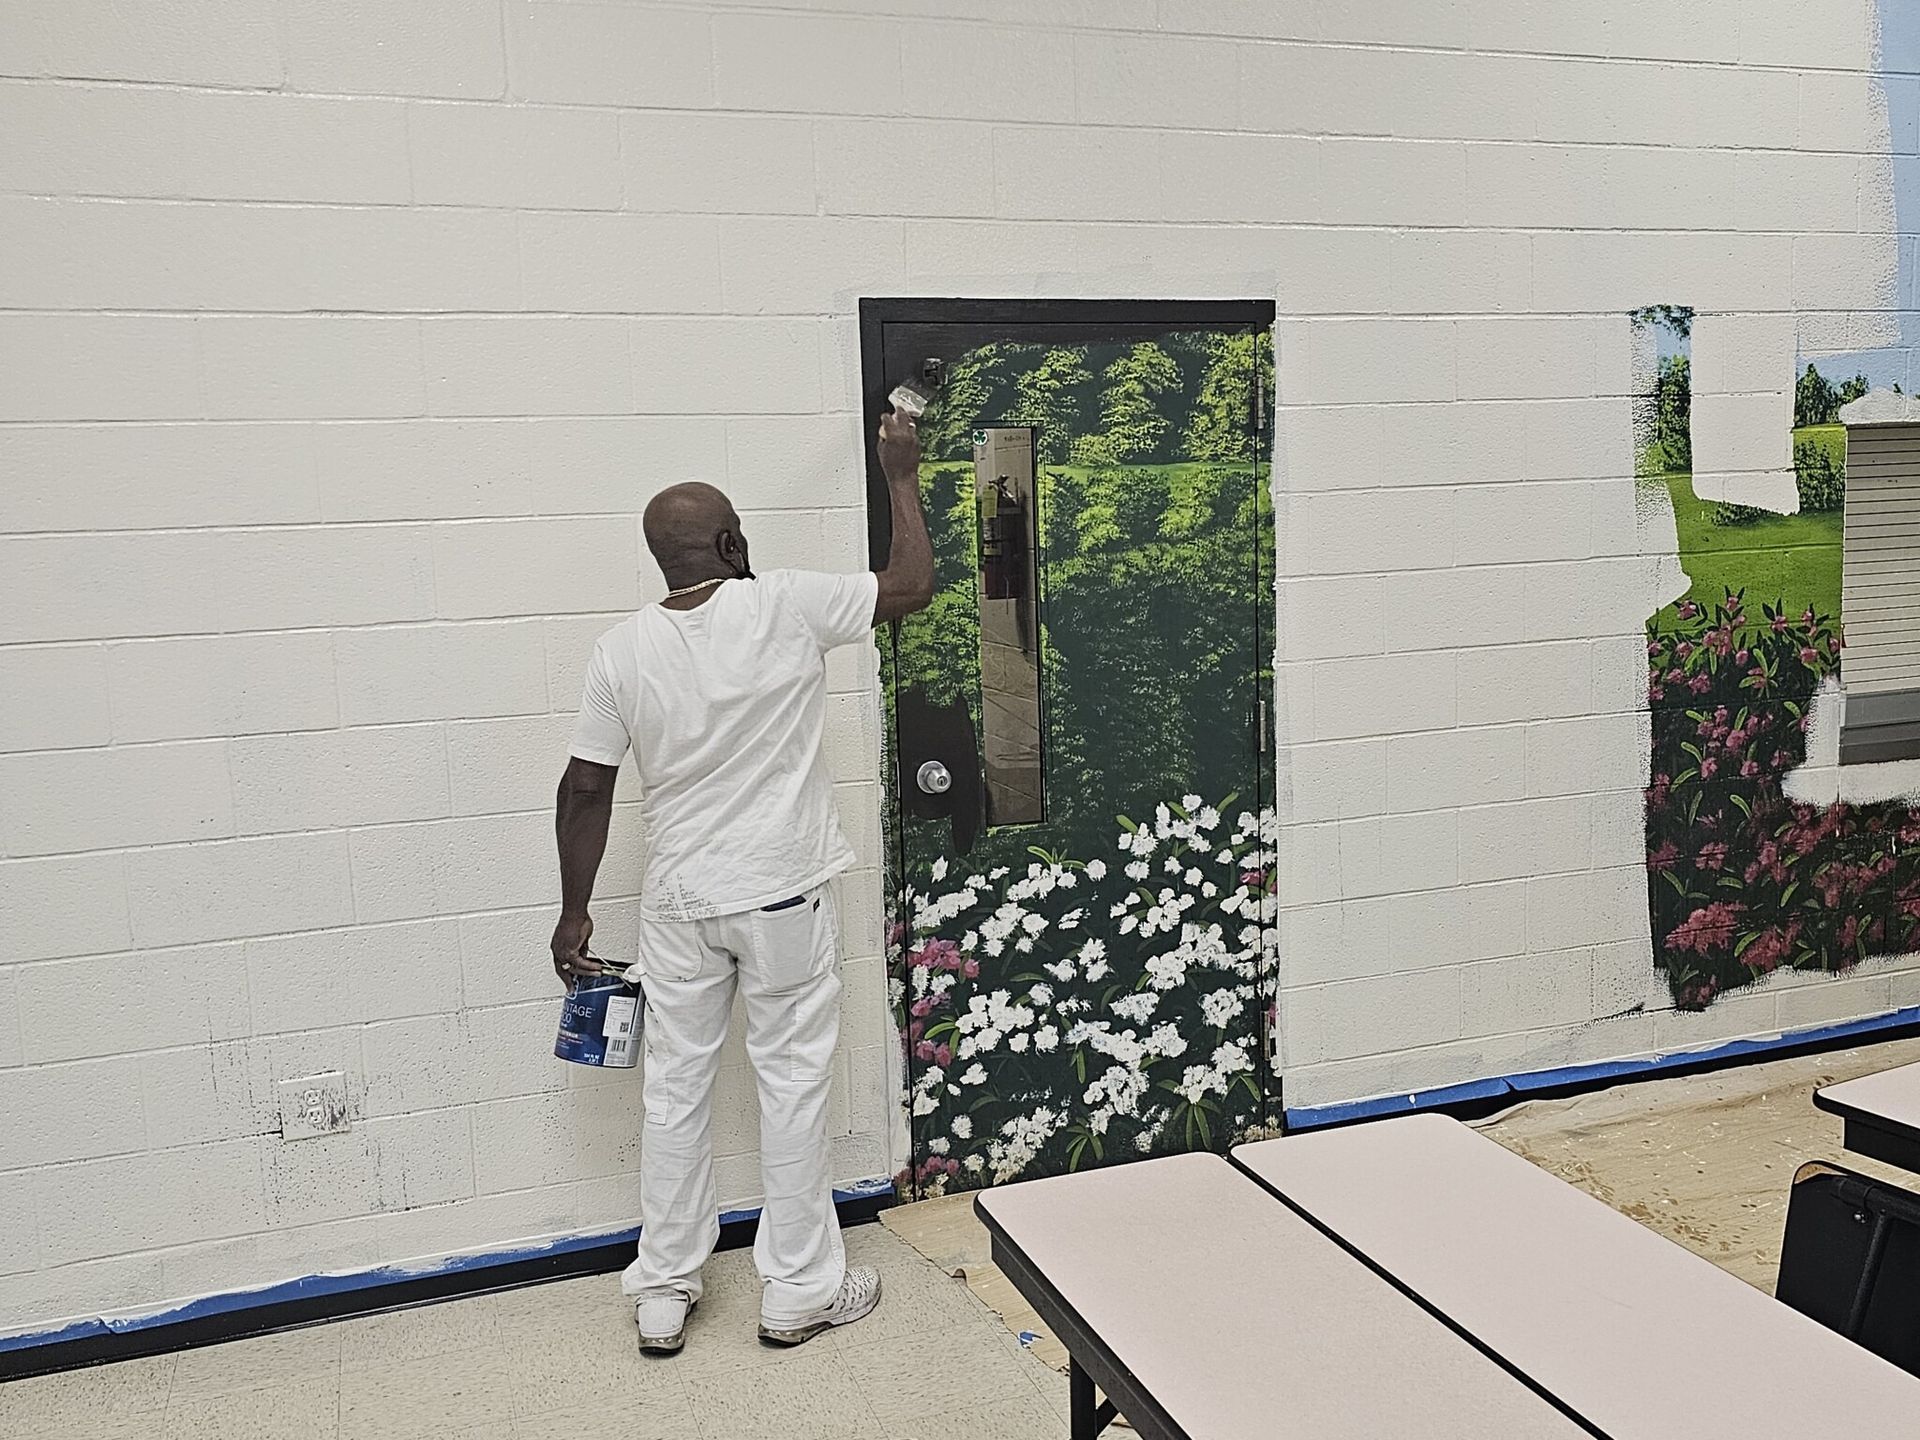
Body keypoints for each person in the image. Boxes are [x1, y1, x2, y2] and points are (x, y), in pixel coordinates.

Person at [550, 404, 933, 1355]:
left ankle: (665, 1290)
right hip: (782, 895)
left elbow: (586, 786)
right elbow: (913, 584)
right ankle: (798, 1290)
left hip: (681, 906)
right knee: (791, 1086)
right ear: (730, 542)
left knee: (675, 1092)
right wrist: (898, 474)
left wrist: (573, 913)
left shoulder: (620, 648)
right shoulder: (784, 603)